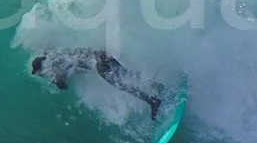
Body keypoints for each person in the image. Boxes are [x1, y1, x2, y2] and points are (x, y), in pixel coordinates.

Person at [30, 48, 163, 120]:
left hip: (99, 63)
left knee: (121, 85)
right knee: (126, 74)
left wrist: (55, 82)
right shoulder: (59, 54)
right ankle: (155, 84)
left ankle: (152, 101)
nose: (41, 73)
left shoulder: (57, 67)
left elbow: (62, 86)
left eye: (40, 71)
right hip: (101, 53)